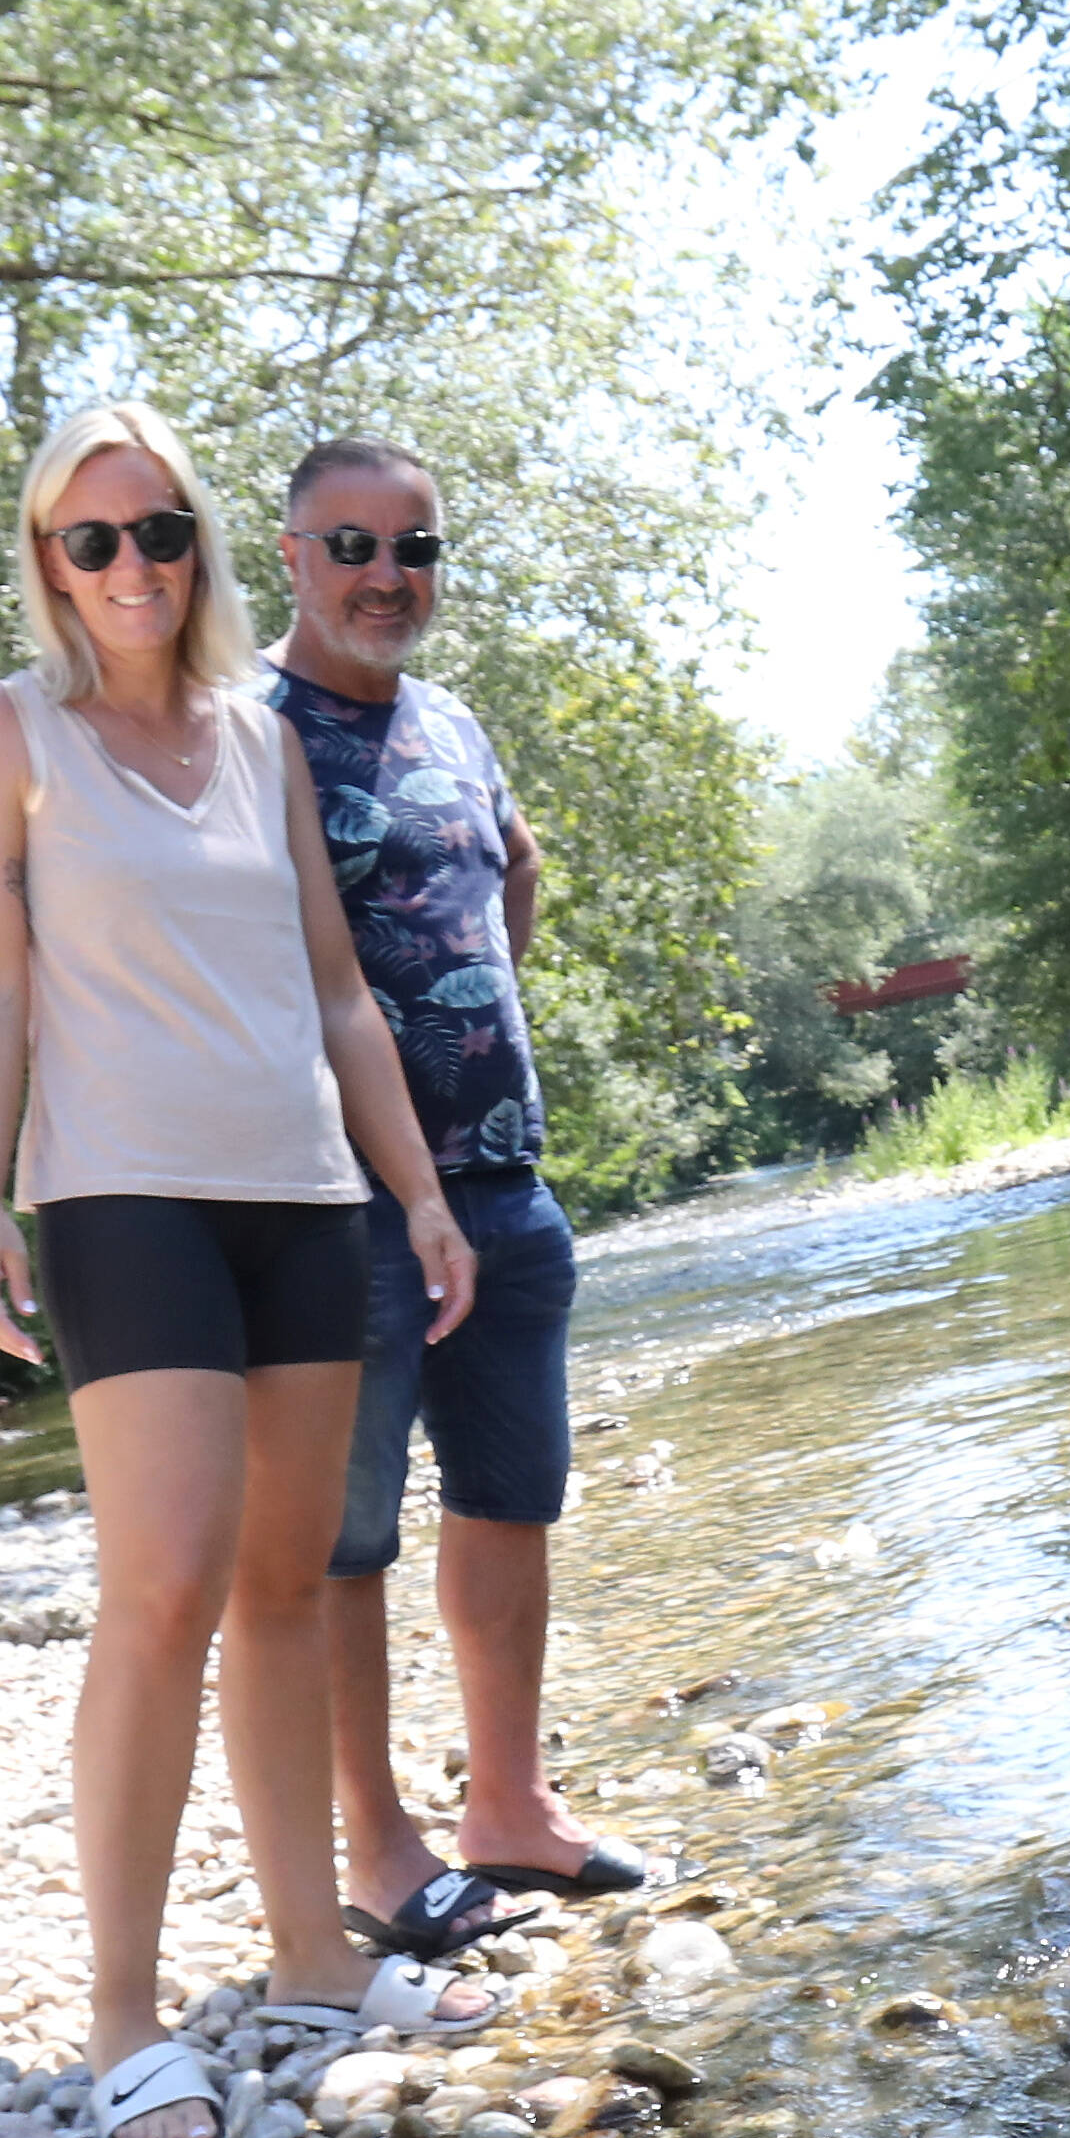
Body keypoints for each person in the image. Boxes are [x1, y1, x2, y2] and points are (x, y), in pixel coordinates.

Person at [0, 399, 509, 2138]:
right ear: (49, 560)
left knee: (286, 1581)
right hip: (122, 1200)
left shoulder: (264, 739)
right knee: (164, 1584)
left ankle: (313, 1954)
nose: (131, 567)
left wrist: (417, 1191)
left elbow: (338, 993)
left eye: (159, 531)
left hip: (302, 1195)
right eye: (91, 540)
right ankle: (122, 2014)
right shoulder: (3, 733)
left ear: (202, 547)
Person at [264, 434, 654, 1966]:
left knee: (511, 1497)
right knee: (346, 1535)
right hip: (332, 1201)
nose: (385, 576)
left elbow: (507, 883)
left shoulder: (456, 726)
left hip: (504, 1183)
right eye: (351, 546)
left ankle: (510, 1804)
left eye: (413, 549)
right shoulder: (250, 736)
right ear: (291, 558)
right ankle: (380, 1844)